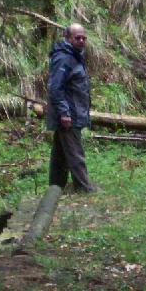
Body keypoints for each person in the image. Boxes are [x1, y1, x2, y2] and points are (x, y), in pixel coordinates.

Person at [47, 23, 96, 193]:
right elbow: (55, 88)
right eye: (77, 37)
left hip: (72, 113)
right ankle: (84, 188)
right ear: (68, 38)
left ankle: (55, 187)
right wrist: (65, 113)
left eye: (83, 38)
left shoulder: (74, 56)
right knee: (75, 154)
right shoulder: (64, 58)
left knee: (60, 155)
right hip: (69, 115)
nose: (81, 40)